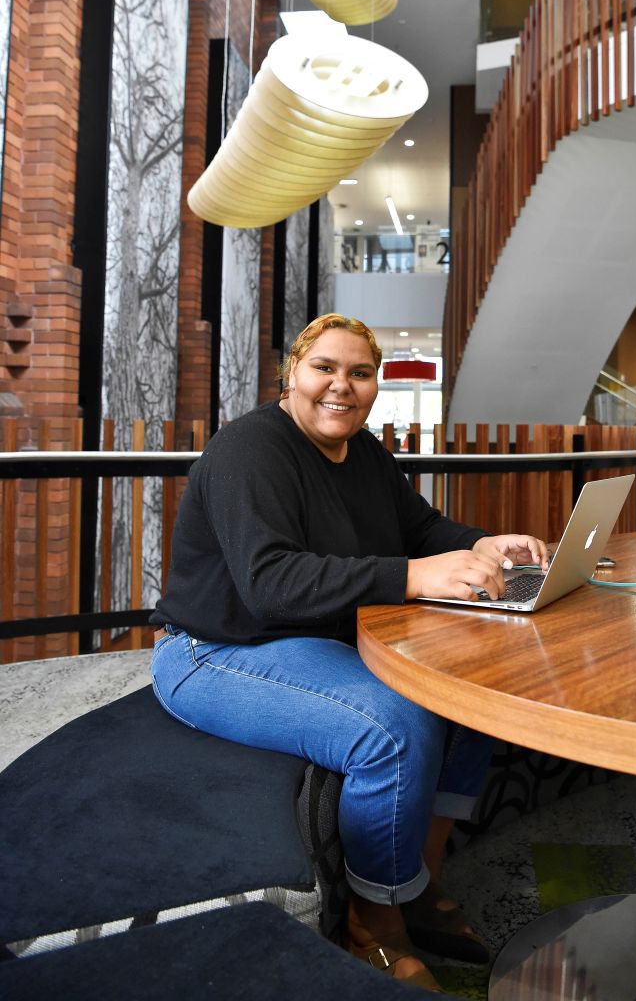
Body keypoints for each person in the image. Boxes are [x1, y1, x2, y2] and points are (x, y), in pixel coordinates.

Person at [151, 313, 548, 992]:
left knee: (468, 692)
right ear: (291, 375)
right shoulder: (251, 450)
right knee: (393, 726)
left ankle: (415, 882)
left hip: (303, 638)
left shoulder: (362, 451)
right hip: (213, 648)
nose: (342, 386)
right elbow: (271, 584)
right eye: (324, 369)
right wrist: (411, 577)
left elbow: (419, 528)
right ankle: (373, 920)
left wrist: (481, 544)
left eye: (359, 373)